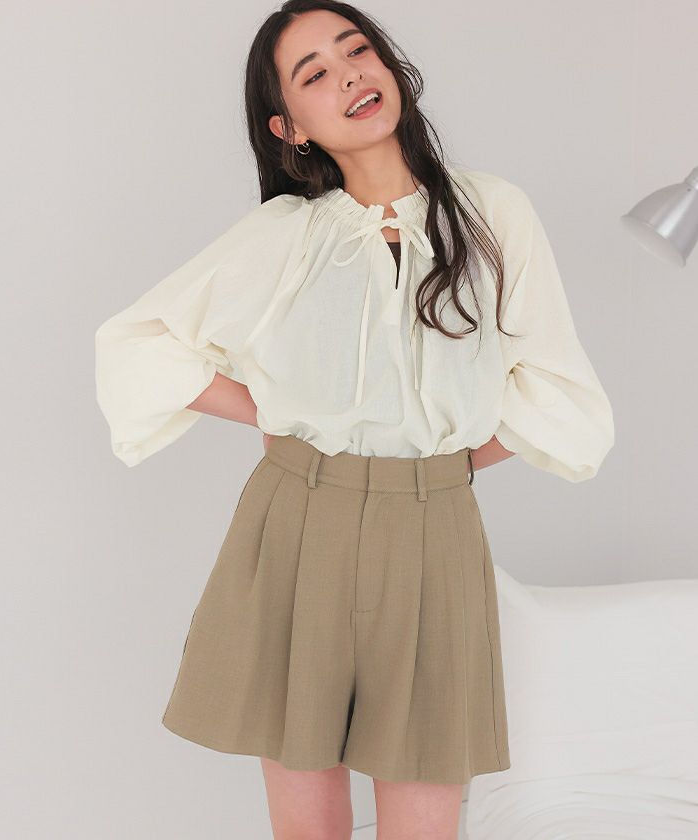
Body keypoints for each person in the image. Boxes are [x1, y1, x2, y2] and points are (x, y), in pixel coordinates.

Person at [94, 1, 615, 837]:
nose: (349, 76)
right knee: (309, 822)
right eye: (314, 75)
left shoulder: (492, 212)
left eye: (356, 50)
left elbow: (557, 389)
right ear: (289, 127)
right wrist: (271, 417)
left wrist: (446, 466)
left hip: (435, 532)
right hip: (297, 525)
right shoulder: (286, 234)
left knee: (424, 814)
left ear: (390, 65)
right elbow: (137, 343)